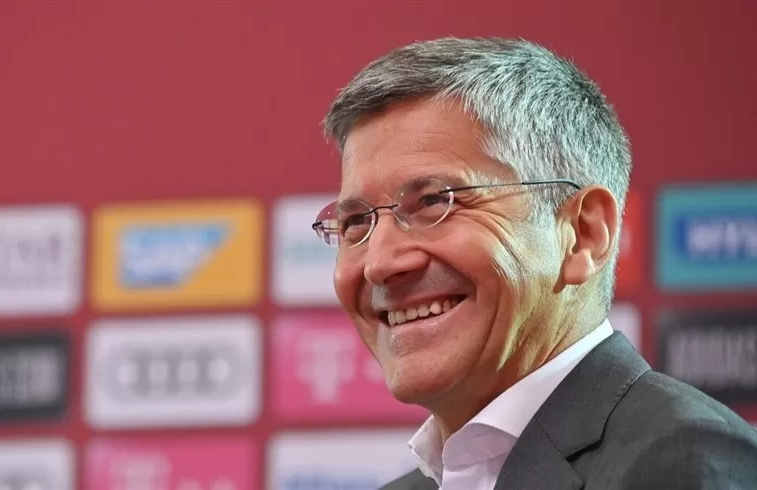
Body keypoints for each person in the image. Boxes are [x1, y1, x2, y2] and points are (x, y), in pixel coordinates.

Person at [310, 37, 757, 490]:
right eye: (356, 222)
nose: (379, 263)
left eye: (433, 202)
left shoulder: (683, 462)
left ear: (583, 234)